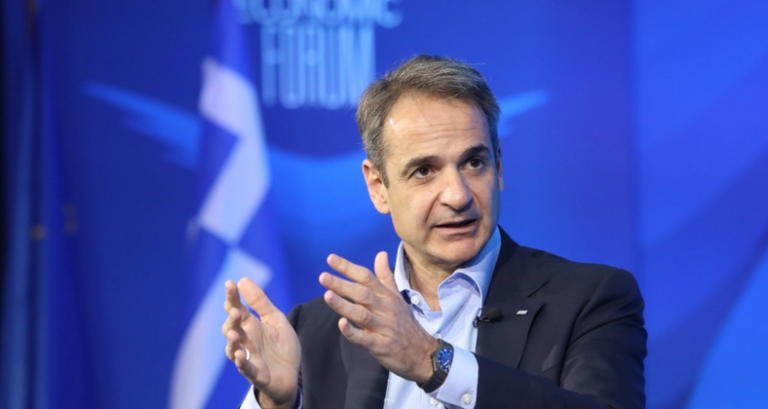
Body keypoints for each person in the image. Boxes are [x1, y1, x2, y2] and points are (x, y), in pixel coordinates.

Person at [222, 55, 647, 409]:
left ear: (499, 165)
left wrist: (431, 361)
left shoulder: (589, 301)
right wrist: (275, 403)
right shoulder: (318, 328)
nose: (458, 195)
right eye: (424, 171)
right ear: (378, 186)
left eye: (474, 163)